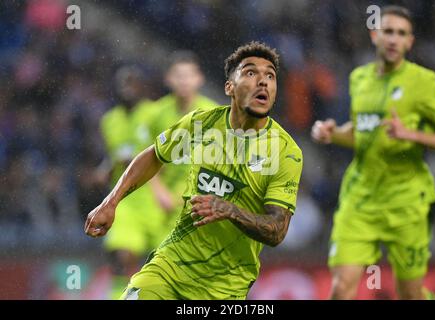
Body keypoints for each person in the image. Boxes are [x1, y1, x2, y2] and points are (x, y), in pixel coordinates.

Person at [85, 41, 303, 300]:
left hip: (225, 284)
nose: (263, 81)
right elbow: (154, 155)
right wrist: (111, 202)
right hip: (172, 263)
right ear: (229, 87)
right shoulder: (202, 123)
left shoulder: (285, 152)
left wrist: (231, 210)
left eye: (270, 76)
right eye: (251, 73)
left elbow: (277, 230)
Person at [311, 5, 435, 300]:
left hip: (406, 202)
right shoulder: (359, 78)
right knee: (341, 288)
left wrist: (410, 134)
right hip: (360, 200)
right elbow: (363, 132)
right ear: (375, 35)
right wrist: (332, 133)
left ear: (409, 42)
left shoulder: (424, 83)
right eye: (388, 31)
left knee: (410, 294)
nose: (393, 39)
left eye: (401, 34)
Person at [97, 65, 168, 299]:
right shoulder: (109, 120)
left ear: (142, 86)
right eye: (123, 83)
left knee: (163, 262)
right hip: (124, 199)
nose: (127, 88)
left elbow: (169, 153)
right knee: (122, 255)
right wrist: (106, 168)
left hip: (155, 196)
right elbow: (113, 154)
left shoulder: (156, 113)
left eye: (132, 82)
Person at [142, 51, 218, 238]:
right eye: (179, 76)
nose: (184, 81)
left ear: (199, 79)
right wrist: (159, 192)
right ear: (168, 79)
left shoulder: (213, 113)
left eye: (189, 75)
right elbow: (145, 158)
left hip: (200, 200)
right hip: (164, 203)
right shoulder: (155, 114)